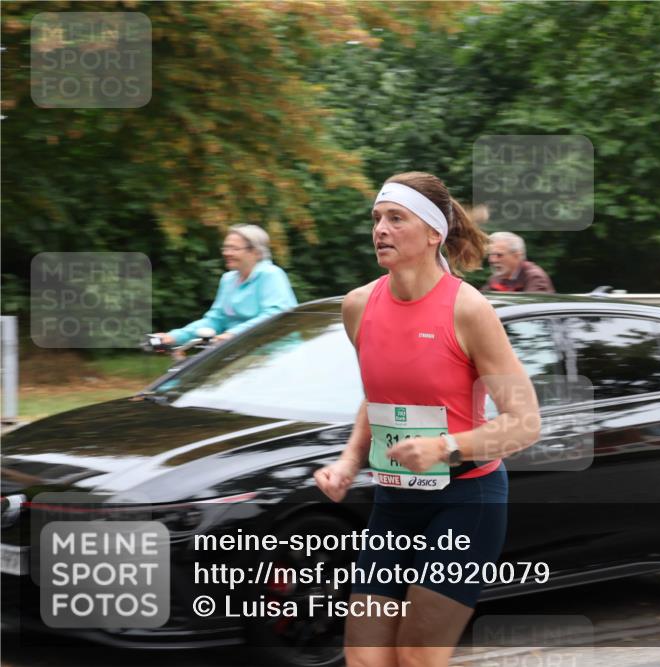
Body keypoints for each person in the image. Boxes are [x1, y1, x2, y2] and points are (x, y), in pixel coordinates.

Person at [313, 172, 541, 667]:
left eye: (396, 218)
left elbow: (525, 422)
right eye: (377, 219)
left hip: (466, 500)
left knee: (416, 657)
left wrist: (445, 447)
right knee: (365, 658)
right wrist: (348, 461)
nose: (381, 230)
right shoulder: (358, 306)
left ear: (434, 232)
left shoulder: (468, 309)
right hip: (395, 501)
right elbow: (377, 399)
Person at [154, 224, 297, 346]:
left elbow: (275, 315)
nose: (227, 253)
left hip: (275, 354)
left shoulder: (271, 274)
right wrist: (175, 336)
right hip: (239, 352)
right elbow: (216, 320)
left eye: (234, 249)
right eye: (225, 248)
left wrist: (232, 334)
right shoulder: (228, 280)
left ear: (256, 252)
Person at [481, 231, 555, 293]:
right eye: (490, 255)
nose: (492, 260)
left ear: (517, 256)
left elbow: (531, 308)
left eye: (499, 255)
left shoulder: (535, 278)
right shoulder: (495, 278)